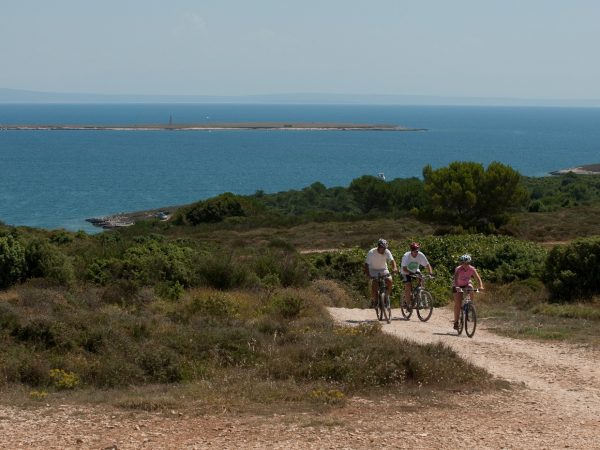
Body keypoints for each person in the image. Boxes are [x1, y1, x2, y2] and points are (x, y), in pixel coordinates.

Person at [452, 254, 484, 330]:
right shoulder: (458, 269)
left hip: (466, 284)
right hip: (457, 285)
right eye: (464, 263)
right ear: (461, 263)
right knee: (458, 304)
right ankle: (456, 322)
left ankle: (470, 305)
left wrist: (481, 286)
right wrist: (457, 287)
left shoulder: (472, 269)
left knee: (471, 288)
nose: (466, 265)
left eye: (468, 263)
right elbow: (456, 279)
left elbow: (478, 278)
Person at [364, 238, 398, 307]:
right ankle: (375, 300)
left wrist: (394, 268)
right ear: (379, 247)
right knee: (375, 283)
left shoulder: (387, 251)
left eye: (385, 248)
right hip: (373, 269)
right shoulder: (371, 252)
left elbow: (392, 261)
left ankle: (386, 297)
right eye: (382, 248)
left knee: (389, 281)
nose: (384, 250)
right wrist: (368, 274)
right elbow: (366, 264)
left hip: (383, 269)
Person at [400, 242, 433, 307]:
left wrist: (430, 273)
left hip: (415, 271)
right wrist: (411, 273)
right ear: (411, 251)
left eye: (417, 251)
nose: (416, 253)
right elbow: (404, 268)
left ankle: (420, 297)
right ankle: (408, 304)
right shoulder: (406, 256)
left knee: (421, 279)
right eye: (415, 251)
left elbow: (427, 265)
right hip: (405, 272)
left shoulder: (420, 255)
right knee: (408, 285)